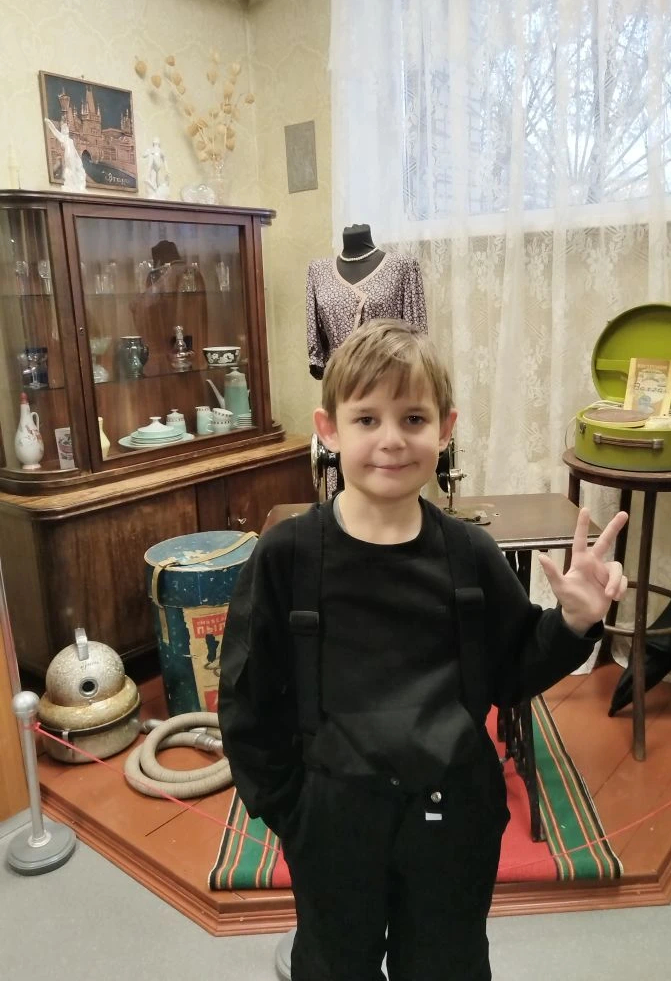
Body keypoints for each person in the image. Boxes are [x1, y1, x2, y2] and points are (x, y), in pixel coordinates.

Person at [219, 319, 628, 981]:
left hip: (453, 819)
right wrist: (289, 808)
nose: (391, 439)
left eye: (413, 418)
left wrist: (574, 622)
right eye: (367, 419)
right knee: (334, 967)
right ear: (329, 430)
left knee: (447, 966)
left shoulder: (471, 554)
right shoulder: (286, 557)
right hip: (331, 821)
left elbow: (514, 670)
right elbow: (247, 696)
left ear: (445, 430)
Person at [44, 118, 87, 192]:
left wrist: (78, 159)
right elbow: (54, 130)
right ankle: (70, 183)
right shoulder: (62, 137)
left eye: (66, 127)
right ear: (62, 130)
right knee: (69, 168)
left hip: (72, 157)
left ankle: (75, 183)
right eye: (64, 128)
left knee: (73, 169)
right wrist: (49, 123)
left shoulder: (71, 140)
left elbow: (74, 151)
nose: (66, 129)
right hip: (67, 155)